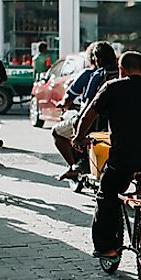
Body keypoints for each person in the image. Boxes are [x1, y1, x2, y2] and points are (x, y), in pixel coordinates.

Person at [73, 51, 141, 262]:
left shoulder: (113, 87)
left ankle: (107, 248)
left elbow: (89, 114)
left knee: (107, 194)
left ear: (121, 70)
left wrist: (79, 137)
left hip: (124, 159)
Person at [52, 45, 98, 180]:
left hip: (89, 120)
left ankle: (73, 167)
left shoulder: (89, 74)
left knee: (57, 132)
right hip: (112, 122)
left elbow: (69, 98)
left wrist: (62, 104)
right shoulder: (117, 77)